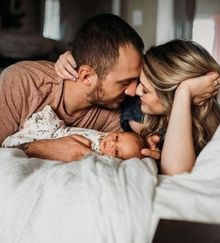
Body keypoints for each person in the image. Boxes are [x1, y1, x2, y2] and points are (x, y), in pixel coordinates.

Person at [55, 39, 220, 174]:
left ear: (172, 99)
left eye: (145, 89)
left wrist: (184, 93)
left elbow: (177, 174)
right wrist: (72, 60)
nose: (135, 91)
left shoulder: (217, 131)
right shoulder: (136, 110)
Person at [0, 13, 148, 162]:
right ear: (86, 76)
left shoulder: (116, 113)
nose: (134, 91)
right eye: (124, 82)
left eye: (136, 80)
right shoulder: (23, 82)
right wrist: (42, 149)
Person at [2, 105, 145, 160]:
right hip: (54, 132)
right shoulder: (104, 133)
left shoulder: (99, 156)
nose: (113, 143)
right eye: (118, 137)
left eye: (117, 152)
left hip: (54, 143)